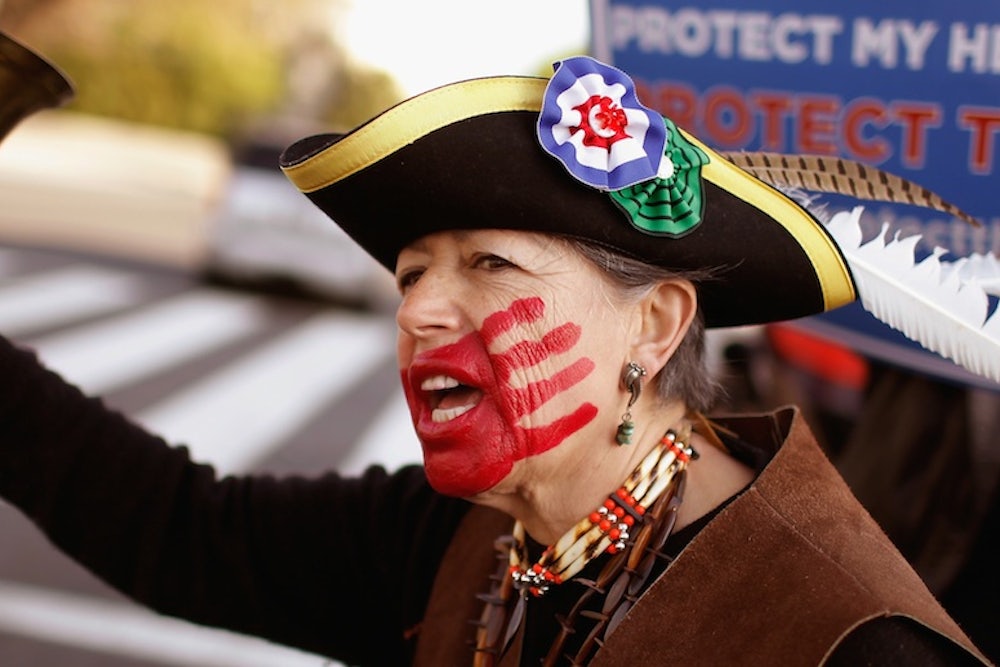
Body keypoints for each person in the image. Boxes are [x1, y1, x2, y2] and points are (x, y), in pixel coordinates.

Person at [0, 52, 993, 666]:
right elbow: (182, 530)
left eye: (489, 263)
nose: (419, 309)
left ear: (654, 324)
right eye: (410, 273)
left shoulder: (844, 639)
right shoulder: (455, 538)